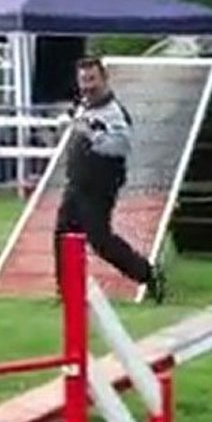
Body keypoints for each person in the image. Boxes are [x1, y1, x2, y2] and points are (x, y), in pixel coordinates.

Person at [54, 56, 165, 303]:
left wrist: (90, 134)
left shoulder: (114, 112)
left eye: (92, 79)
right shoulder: (85, 104)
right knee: (63, 233)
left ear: (104, 79)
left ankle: (148, 274)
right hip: (77, 181)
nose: (87, 85)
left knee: (100, 240)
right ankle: (67, 291)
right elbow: (78, 119)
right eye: (83, 80)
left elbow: (120, 146)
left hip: (100, 184)